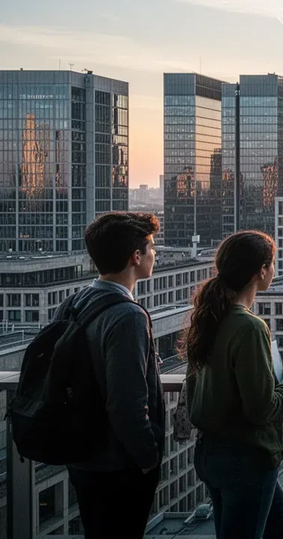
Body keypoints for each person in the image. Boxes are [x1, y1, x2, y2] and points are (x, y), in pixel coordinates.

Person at [182, 231, 283, 539]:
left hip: (211, 451)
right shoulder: (249, 326)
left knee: (282, 524)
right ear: (261, 271)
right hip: (245, 457)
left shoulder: (210, 317)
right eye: (273, 263)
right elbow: (261, 408)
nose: (274, 270)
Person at [64, 212, 164, 538]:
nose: (155, 255)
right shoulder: (128, 316)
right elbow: (126, 401)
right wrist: (148, 456)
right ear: (135, 257)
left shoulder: (74, 302)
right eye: (151, 248)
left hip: (81, 453)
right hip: (119, 463)